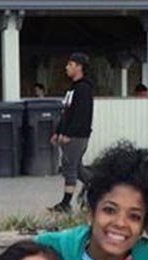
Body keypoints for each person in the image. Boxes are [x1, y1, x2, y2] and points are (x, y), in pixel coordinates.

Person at [49, 52, 95, 214]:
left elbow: (81, 114)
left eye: (70, 64)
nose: (66, 67)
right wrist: (58, 131)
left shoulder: (84, 89)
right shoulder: (73, 89)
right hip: (70, 133)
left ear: (79, 67)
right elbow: (67, 113)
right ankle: (101, 186)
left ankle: (65, 204)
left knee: (69, 165)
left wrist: (69, 133)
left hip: (78, 135)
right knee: (77, 167)